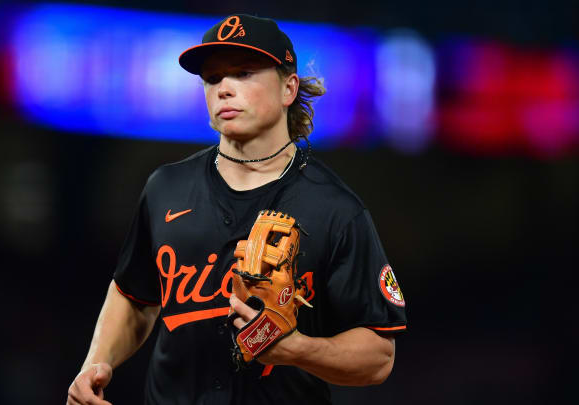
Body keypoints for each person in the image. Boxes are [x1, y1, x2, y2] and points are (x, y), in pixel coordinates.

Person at [67, 14, 407, 405]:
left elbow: (379, 357)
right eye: (212, 79)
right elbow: (134, 296)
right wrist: (96, 362)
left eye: (244, 73)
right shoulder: (166, 187)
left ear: (288, 89)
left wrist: (295, 349)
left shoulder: (334, 209)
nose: (224, 89)